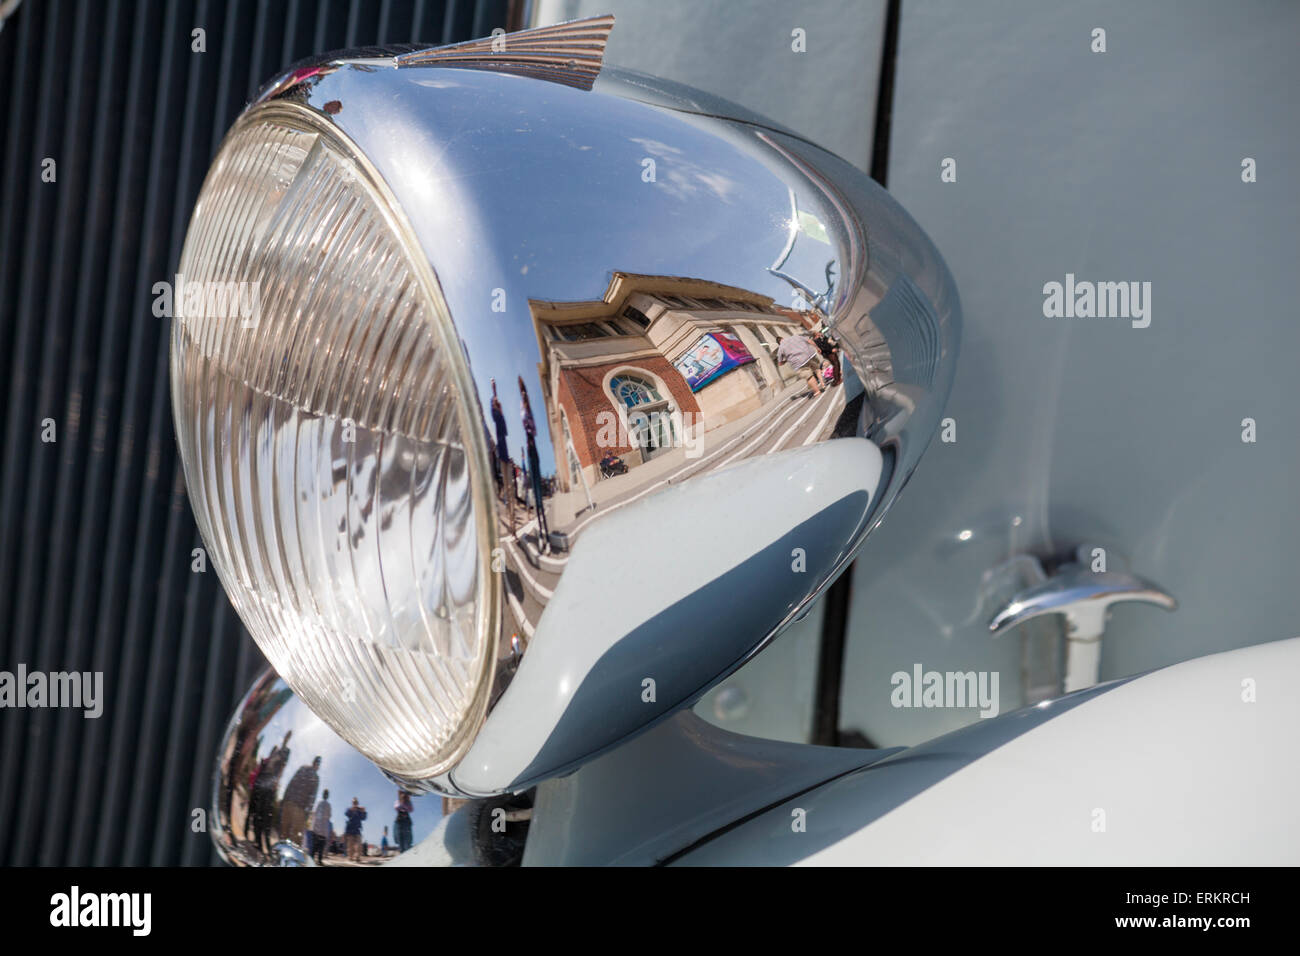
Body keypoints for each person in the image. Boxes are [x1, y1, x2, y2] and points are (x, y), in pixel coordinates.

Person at [279, 755, 321, 846]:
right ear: (317, 765)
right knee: (295, 839)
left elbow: (291, 782)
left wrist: (284, 799)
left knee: (284, 832)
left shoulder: (303, 768)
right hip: (300, 809)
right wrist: (307, 814)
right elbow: (312, 797)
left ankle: (281, 853)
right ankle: (289, 857)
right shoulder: (316, 777)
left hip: (289, 803)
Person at [310, 788, 332, 864]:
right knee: (321, 846)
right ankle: (319, 860)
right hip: (323, 829)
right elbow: (329, 815)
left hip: (316, 827)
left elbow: (314, 813)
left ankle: (311, 859)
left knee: (314, 846)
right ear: (327, 796)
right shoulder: (328, 805)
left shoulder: (318, 803)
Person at [343, 796, 367, 862]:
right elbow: (346, 813)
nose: (355, 803)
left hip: (357, 829)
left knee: (359, 843)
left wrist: (364, 811)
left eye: (356, 802)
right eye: (354, 802)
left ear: (357, 803)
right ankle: (350, 857)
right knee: (350, 844)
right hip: (350, 829)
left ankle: (357, 857)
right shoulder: (349, 809)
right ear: (352, 803)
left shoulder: (359, 811)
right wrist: (351, 809)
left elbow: (364, 818)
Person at [394, 789, 414, 853]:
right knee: (400, 838)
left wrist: (406, 801)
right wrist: (402, 802)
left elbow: (411, 809)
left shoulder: (409, 802)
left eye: (404, 795)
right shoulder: (397, 801)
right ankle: (401, 852)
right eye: (402, 795)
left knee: (407, 838)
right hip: (399, 821)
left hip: (407, 822)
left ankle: (407, 852)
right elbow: (396, 807)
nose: (403, 796)